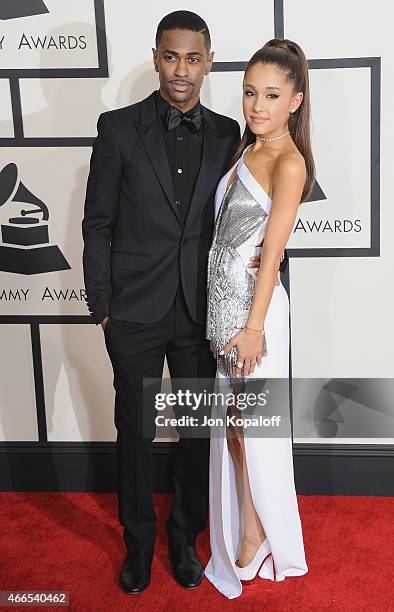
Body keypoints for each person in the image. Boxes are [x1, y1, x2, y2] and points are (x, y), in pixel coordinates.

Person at [82, 10, 263, 595]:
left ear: (208, 62)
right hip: (132, 311)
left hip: (199, 313)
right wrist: (103, 305)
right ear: (156, 57)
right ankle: (137, 545)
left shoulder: (227, 133)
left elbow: (241, 219)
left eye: (193, 58)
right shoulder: (117, 129)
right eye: (170, 56)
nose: (180, 70)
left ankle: (184, 538)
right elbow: (97, 223)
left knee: (193, 434)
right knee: (133, 434)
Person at [204, 39, 314, 599]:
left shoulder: (289, 162)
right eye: (250, 92)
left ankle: (257, 531)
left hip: (256, 316)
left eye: (271, 95)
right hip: (225, 311)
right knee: (232, 428)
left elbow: (270, 255)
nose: (257, 105)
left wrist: (253, 327)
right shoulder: (244, 149)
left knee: (253, 431)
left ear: (296, 100)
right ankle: (245, 523)